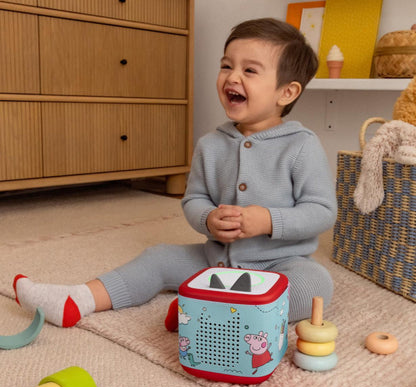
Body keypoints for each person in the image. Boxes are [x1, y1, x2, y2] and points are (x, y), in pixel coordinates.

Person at [13, 18, 337, 327]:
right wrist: (209, 220)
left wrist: (267, 221)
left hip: (278, 266)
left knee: (315, 285)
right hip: (215, 260)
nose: (232, 77)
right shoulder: (211, 144)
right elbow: (194, 199)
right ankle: (78, 299)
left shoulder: (301, 145)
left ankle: (204, 313)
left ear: (287, 92)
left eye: (249, 70)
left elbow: (321, 212)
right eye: (227, 66)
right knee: (158, 258)